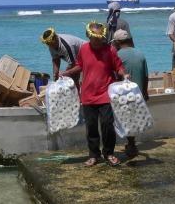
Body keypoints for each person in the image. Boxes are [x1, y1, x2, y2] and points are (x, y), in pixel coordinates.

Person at [61, 22, 128, 167]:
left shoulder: (110, 50)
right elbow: (80, 65)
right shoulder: (84, 49)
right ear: (88, 36)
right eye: (94, 38)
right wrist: (66, 73)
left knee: (107, 125)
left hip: (106, 94)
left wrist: (125, 75)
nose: (97, 41)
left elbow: (119, 66)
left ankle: (109, 153)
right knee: (91, 127)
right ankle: (94, 155)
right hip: (88, 95)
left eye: (100, 38)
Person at [111, 29, 148, 158]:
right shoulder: (140, 53)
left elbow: (115, 76)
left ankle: (131, 146)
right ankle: (132, 144)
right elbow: (146, 76)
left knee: (125, 121)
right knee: (133, 119)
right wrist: (145, 92)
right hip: (138, 93)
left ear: (116, 42)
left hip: (123, 93)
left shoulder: (117, 55)